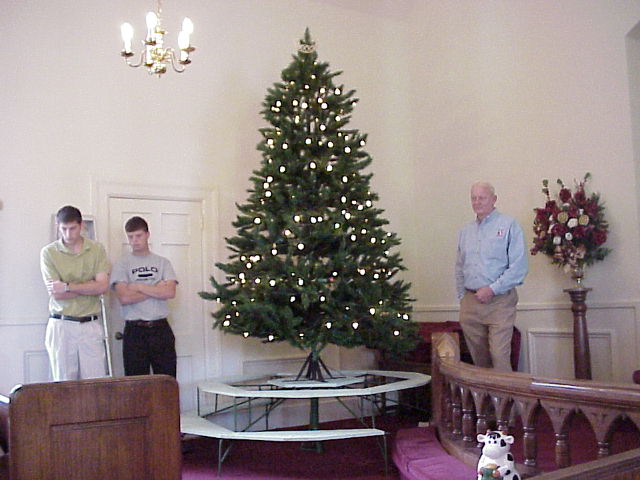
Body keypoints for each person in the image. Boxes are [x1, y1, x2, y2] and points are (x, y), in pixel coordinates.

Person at [455, 182, 528, 371]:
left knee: (499, 357)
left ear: (494, 199)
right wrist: (463, 297)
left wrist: (492, 289)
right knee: (480, 362)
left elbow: (519, 267)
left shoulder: (509, 225)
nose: (477, 202)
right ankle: (486, 393)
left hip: (499, 302)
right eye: (474, 198)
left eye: (482, 197)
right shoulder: (465, 231)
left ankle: (505, 392)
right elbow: (459, 267)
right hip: (471, 303)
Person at [40, 205, 111, 380]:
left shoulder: (96, 249)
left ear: (81, 226)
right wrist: (89, 287)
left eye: (72, 228)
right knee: (64, 382)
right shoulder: (48, 252)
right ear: (58, 226)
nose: (68, 234)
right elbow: (57, 294)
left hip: (90, 323)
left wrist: (67, 286)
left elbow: (102, 287)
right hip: (62, 323)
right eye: (64, 229)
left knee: (95, 383)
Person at [111, 216, 178, 377]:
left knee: (166, 381)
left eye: (138, 236)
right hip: (135, 331)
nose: (134, 241)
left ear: (147, 234)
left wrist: (139, 287)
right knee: (136, 384)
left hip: (160, 329)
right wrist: (156, 289)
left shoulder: (163, 263)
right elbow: (124, 298)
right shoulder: (122, 264)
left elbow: (170, 292)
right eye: (130, 237)